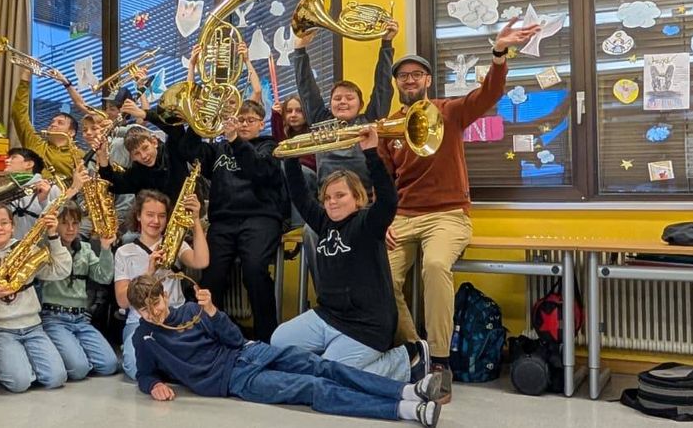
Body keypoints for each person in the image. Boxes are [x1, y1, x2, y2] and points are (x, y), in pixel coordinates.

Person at [379, 17, 540, 394]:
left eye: (417, 74)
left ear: (428, 81)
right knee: (379, 273)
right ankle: (410, 350)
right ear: (396, 83)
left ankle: (439, 360)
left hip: (447, 215)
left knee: (435, 266)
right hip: (402, 216)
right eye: (403, 76)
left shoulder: (448, 112)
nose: (410, 80)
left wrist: (499, 53)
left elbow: (488, 94)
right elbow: (384, 184)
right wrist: (380, 220)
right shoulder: (389, 125)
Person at [127, 274, 445, 427]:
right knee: (313, 387)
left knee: (324, 367)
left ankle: (408, 390)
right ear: (137, 312)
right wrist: (152, 384)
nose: (153, 312)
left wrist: (213, 312)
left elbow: (235, 340)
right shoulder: (143, 339)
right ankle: (406, 410)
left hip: (248, 353)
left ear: (164, 296)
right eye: (144, 309)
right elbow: (144, 373)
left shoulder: (189, 313)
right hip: (234, 382)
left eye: (155, 302)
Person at [273, 127, 421, 382]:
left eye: (340, 195)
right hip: (329, 316)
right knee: (279, 341)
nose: (332, 202)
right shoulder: (323, 221)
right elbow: (299, 194)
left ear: (357, 197)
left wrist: (371, 153)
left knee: (331, 373)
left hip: (368, 325)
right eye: (327, 197)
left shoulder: (368, 223)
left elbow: (388, 200)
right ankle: (334, 364)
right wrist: (293, 156)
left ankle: (405, 361)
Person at [176, 100, 286, 341]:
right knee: (211, 275)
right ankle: (208, 335)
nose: (243, 124)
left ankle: (268, 339)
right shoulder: (219, 149)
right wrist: (200, 121)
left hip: (260, 218)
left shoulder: (269, 146)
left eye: (249, 120)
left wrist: (235, 139)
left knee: (255, 270)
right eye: (239, 119)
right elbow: (189, 151)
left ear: (261, 124)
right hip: (223, 221)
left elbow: (259, 171)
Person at [0, 200, 74, 393]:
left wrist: (53, 236)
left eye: (4, 222)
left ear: (13, 227)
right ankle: (0, 362)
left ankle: (18, 364)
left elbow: (61, 271)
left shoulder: (27, 250)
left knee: (57, 378)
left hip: (33, 327)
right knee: (19, 383)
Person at [113, 190, 210, 379]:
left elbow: (201, 261)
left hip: (174, 315)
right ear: (138, 216)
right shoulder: (124, 252)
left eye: (162, 216)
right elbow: (123, 301)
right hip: (141, 319)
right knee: (135, 370)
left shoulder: (175, 244)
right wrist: (149, 272)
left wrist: (196, 221)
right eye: (150, 215)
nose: (155, 221)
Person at [291, 23, 398, 187]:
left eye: (349, 98)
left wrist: (386, 44)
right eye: (337, 98)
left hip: (365, 199)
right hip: (328, 200)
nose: (342, 102)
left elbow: (383, 88)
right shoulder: (321, 120)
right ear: (330, 103)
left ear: (360, 105)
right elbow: (307, 89)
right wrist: (299, 51)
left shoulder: (370, 121)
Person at [38, 201, 119, 380]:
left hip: (80, 318)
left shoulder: (85, 249)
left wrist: (106, 249)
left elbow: (104, 277)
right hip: (54, 317)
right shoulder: (45, 249)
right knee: (79, 369)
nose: (70, 228)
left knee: (109, 365)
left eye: (75, 223)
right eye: (64, 223)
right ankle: (66, 354)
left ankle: (74, 352)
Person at [10, 68, 83, 180]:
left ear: (71, 132)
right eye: (52, 122)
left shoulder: (79, 155)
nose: (53, 124)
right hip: (33, 193)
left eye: (60, 123)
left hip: (63, 195)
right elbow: (19, 115)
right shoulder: (36, 143)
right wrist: (26, 76)